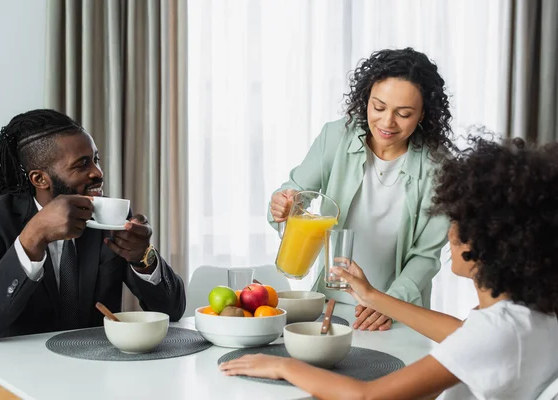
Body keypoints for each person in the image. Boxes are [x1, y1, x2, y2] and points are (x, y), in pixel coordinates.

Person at [223, 137, 558, 399]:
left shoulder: (495, 333)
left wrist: (283, 366)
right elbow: (461, 332)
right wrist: (372, 296)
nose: (448, 231)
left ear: (482, 242)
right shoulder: (531, 318)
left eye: (455, 220)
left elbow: (366, 396)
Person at [0, 109, 186, 393]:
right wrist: (33, 236)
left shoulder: (109, 217)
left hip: (97, 376)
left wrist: (143, 257)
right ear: (40, 179)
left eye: (96, 160)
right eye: (82, 164)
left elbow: (172, 311)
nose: (98, 172)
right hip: (13, 377)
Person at [268, 48, 455, 331]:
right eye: (378, 107)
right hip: (331, 301)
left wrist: (389, 303)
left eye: (403, 113)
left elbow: (425, 255)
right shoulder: (336, 137)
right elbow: (294, 193)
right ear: (366, 99)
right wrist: (281, 204)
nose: (387, 122)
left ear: (423, 114)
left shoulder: (439, 167)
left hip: (398, 310)